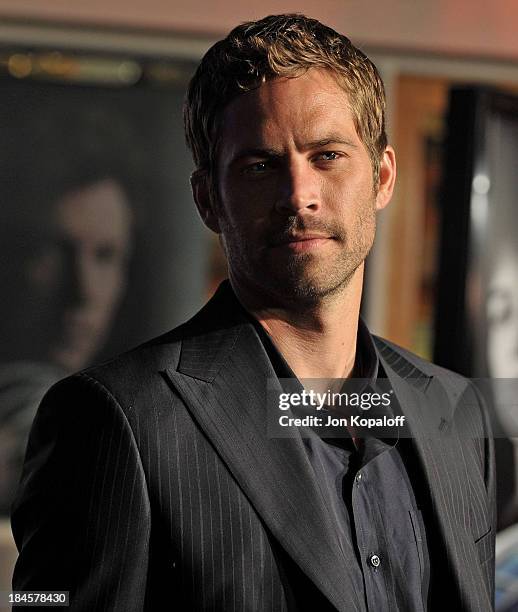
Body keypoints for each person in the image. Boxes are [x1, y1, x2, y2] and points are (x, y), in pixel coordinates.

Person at [11, 14, 495, 611]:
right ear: (208, 199)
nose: (299, 195)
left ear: (383, 177)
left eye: (327, 155)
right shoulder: (115, 421)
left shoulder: (456, 413)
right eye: (261, 165)